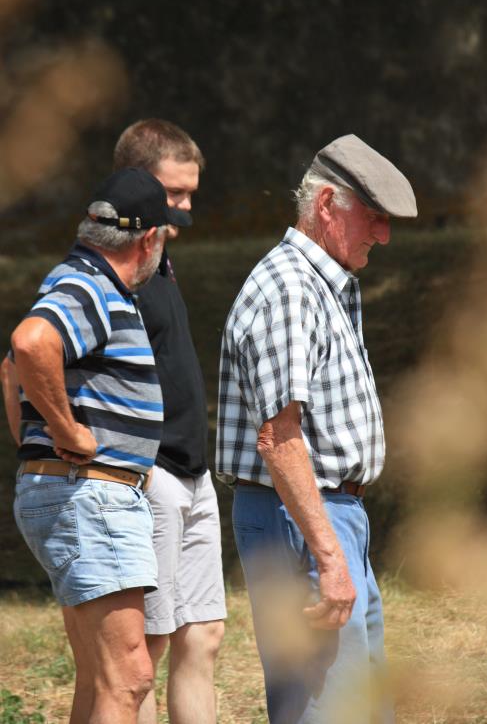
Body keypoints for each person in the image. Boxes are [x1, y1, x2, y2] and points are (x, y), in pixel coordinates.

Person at [216, 134, 417, 724]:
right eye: (373, 218)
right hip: (303, 519)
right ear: (327, 204)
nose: (382, 235)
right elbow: (279, 438)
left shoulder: (321, 283)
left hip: (324, 518)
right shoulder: (291, 289)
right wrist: (329, 557)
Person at [3, 167, 185, 724]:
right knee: (130, 677)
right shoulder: (92, 285)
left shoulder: (77, 279)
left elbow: (9, 371)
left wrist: (35, 441)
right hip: (92, 497)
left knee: (102, 678)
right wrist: (62, 430)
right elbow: (29, 345)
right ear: (148, 239)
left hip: (78, 494)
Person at [113, 119, 226, 724]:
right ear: (135, 182)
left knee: (203, 634)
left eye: (190, 195)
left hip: (194, 472)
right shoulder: (109, 264)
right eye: (173, 193)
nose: (184, 208)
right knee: (145, 651)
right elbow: (31, 354)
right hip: (149, 475)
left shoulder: (160, 257)